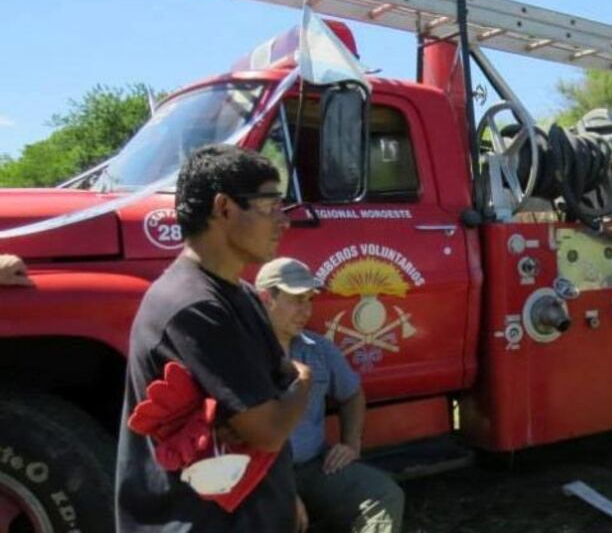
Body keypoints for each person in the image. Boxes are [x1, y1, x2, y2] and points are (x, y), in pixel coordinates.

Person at [116, 144, 312, 532]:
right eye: (269, 205)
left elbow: (272, 395)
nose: (283, 221)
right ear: (223, 208)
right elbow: (269, 430)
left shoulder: (241, 294)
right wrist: (305, 378)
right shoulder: (193, 306)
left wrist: (284, 493)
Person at [256, 256, 405, 533]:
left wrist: (351, 444)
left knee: (384, 496)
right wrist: (282, 492)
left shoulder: (319, 349)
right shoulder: (241, 355)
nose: (306, 310)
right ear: (266, 298)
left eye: (310, 300)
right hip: (259, 475)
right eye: (297, 300)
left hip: (314, 466)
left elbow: (352, 395)